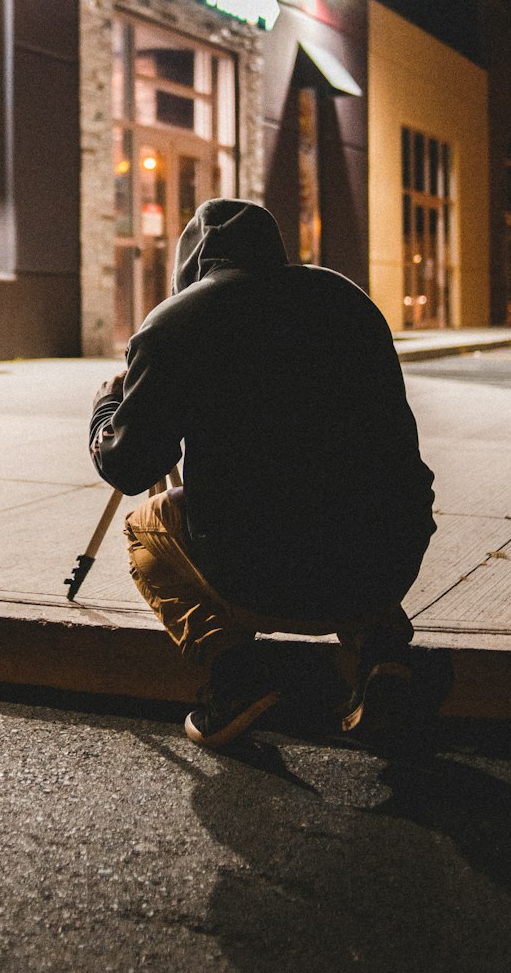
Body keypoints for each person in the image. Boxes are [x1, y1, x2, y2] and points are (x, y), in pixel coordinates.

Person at [89, 198, 436, 750]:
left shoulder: (179, 322)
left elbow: (130, 467)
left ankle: (235, 676)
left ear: (192, 262)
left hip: (259, 568)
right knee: (349, 501)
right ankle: (384, 658)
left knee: (142, 528)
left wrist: (108, 409)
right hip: (389, 553)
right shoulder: (348, 301)